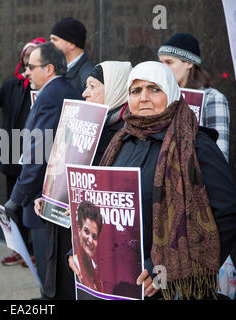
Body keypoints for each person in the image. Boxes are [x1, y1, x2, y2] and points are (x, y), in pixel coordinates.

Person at [99, 61, 236, 300]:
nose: (143, 98)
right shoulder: (120, 142)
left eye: (154, 89)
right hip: (121, 282)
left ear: (172, 94)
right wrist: (78, 250)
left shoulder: (196, 145)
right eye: (136, 90)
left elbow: (227, 213)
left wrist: (172, 266)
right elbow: (100, 205)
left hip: (175, 288)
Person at [5, 42, 83, 300]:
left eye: (31, 67)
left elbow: (39, 153)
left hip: (43, 196)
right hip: (50, 194)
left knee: (49, 265)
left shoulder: (52, 96)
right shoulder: (58, 91)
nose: (26, 72)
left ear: (49, 69)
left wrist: (17, 196)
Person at [0, 37, 46, 267]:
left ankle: (36, 251)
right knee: (13, 204)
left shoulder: (45, 88)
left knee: (33, 204)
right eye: (26, 57)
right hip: (11, 153)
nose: (28, 61)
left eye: (34, 57)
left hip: (35, 154)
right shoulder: (12, 85)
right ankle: (19, 248)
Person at [158, 33, 230, 162]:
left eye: (169, 62)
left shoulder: (212, 98)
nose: (163, 68)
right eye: (161, 63)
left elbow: (220, 153)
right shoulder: (163, 96)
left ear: (189, 63)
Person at [50, 17, 94, 94]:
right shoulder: (62, 69)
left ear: (71, 44)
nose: (50, 43)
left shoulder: (88, 76)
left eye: (55, 39)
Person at [71, 200, 103, 291]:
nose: (90, 240)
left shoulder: (96, 274)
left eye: (94, 236)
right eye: (86, 231)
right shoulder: (75, 263)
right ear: (79, 231)